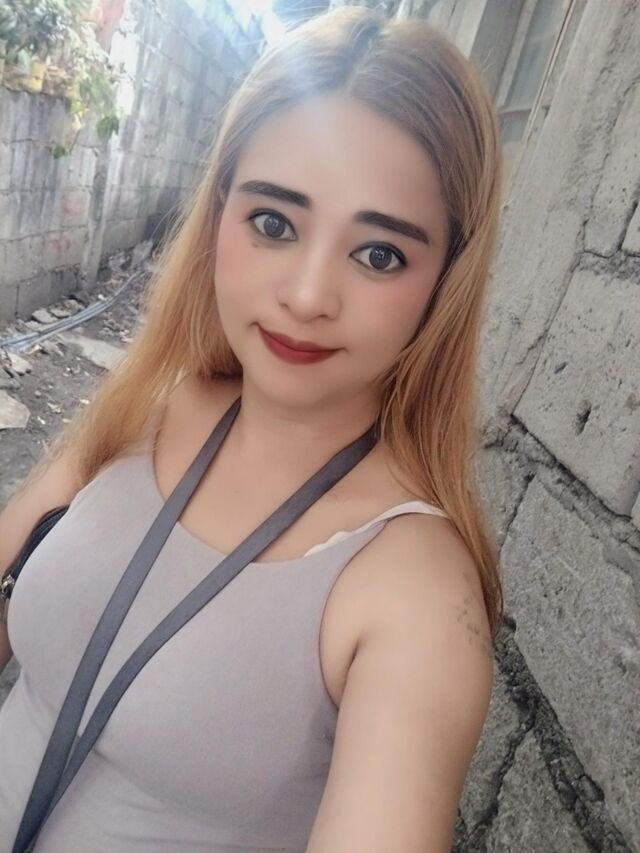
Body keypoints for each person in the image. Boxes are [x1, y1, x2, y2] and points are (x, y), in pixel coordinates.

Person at [0, 5, 503, 851]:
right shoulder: (151, 404)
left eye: (379, 253)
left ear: (445, 280)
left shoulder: (415, 591)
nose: (307, 295)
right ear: (219, 213)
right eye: (274, 223)